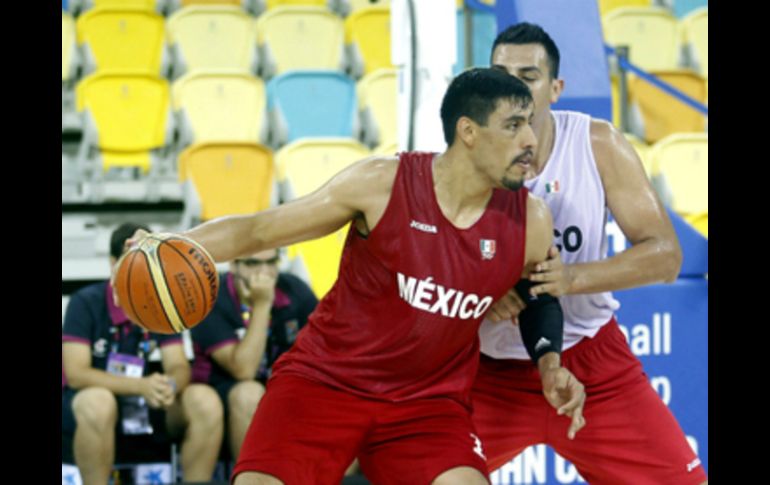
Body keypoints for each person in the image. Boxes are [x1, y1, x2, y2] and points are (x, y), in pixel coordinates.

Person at [128, 68, 585, 485]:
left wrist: (550, 365)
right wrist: (175, 244)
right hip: (324, 382)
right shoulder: (382, 184)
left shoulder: (530, 220)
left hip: (426, 404)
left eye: (530, 122)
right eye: (514, 125)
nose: (531, 138)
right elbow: (259, 229)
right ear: (468, 131)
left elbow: (538, 296)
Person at [472, 23, 707, 484]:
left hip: (589, 358)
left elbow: (666, 256)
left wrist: (572, 279)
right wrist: (481, 292)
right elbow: (430, 255)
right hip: (487, 366)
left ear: (556, 88)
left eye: (528, 75)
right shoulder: (465, 153)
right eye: (500, 72)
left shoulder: (596, 143)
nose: (511, 86)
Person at [62, 223, 223, 485]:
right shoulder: (85, 302)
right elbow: (77, 374)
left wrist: (167, 385)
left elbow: (178, 365)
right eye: (133, 262)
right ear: (113, 264)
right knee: (98, 402)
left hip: (145, 404)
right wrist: (139, 386)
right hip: (92, 402)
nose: (141, 270)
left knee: (204, 399)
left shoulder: (161, 300)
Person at [188, 247, 318, 461]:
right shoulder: (209, 297)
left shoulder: (294, 289)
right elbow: (244, 370)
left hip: (281, 388)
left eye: (271, 262)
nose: (264, 272)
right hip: (222, 393)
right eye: (252, 264)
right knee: (250, 393)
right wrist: (263, 304)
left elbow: (329, 343)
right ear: (233, 265)